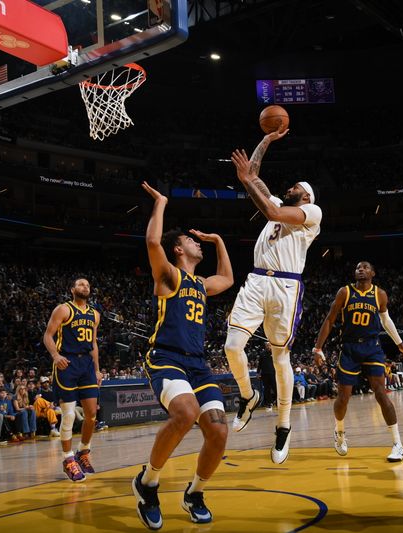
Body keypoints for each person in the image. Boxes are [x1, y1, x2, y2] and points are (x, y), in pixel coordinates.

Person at [132, 182, 233, 529]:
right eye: (191, 240)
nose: (196, 242)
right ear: (179, 249)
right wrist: (160, 203)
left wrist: (218, 241)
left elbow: (228, 278)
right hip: (166, 357)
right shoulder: (170, 276)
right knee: (186, 413)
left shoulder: (202, 284)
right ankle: (148, 483)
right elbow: (151, 242)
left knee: (219, 430)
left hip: (197, 364)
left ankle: (195, 493)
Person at [226, 134, 323, 464]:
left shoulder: (311, 212)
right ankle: (247, 395)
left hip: (285, 287)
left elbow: (267, 209)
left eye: (296, 185)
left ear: (306, 195)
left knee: (281, 357)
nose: (290, 187)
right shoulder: (283, 205)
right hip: (256, 279)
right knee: (231, 345)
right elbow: (253, 175)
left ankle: (283, 425)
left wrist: (247, 181)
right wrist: (266, 139)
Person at [313, 261, 403, 461]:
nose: (361, 269)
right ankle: (340, 431)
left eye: (365, 267)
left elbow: (386, 321)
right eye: (358, 267)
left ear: (373, 273)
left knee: (381, 393)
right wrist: (318, 348)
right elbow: (330, 319)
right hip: (350, 348)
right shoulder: (345, 292)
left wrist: (401, 346)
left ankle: (397, 444)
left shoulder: (380, 294)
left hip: (372, 347)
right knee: (343, 398)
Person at [43, 276, 102, 482]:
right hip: (66, 364)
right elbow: (48, 335)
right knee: (68, 415)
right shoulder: (63, 309)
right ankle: (68, 460)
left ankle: (83, 452)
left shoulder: (95, 314)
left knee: (92, 414)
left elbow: (94, 343)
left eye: (87, 284)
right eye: (80, 284)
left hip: (86, 364)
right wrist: (56, 356)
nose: (84, 286)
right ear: (72, 289)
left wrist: (97, 369)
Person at [258, 343, 276, 411]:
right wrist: (258, 372)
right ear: (265, 346)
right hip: (264, 374)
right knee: (266, 389)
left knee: (275, 388)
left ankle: (278, 401)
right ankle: (269, 403)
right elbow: (260, 364)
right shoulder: (262, 353)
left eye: (269, 345)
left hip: (273, 373)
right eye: (267, 345)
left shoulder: (274, 352)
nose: (268, 346)